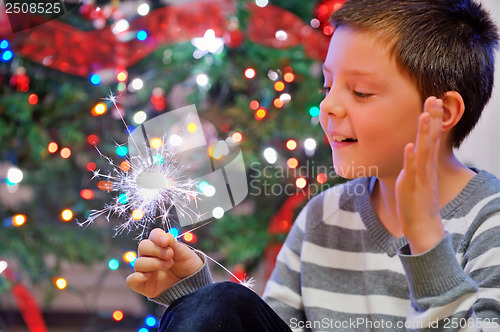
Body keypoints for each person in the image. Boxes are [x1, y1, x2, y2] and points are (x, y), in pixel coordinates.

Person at [126, 0, 500, 330]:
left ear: (443, 112)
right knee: (223, 302)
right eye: (327, 87)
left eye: (360, 92)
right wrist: (197, 300)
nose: (328, 107)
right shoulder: (322, 217)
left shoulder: (489, 220)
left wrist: (427, 242)